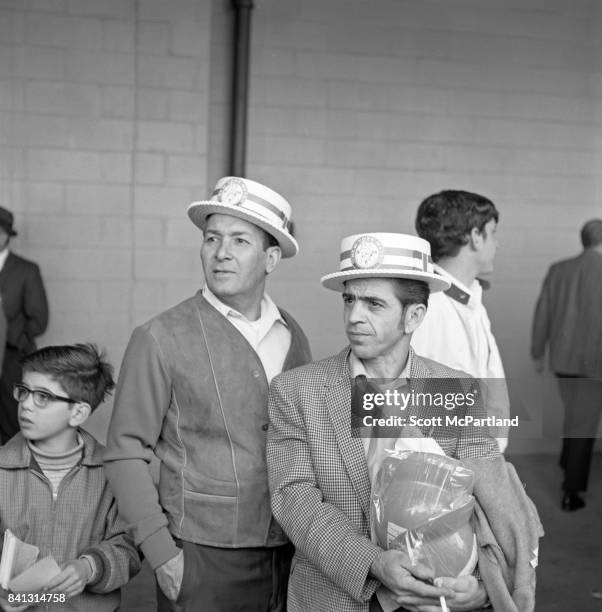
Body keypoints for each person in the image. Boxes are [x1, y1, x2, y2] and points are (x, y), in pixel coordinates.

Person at [267, 232, 542, 612]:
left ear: (414, 316)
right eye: (350, 299)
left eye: (374, 304)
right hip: (333, 598)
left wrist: (478, 586)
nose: (354, 316)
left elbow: (494, 498)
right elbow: (296, 500)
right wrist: (373, 562)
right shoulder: (297, 391)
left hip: (435, 598)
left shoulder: (455, 390)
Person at [104, 177, 312, 611]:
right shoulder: (159, 336)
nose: (221, 252)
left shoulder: (293, 335)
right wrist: (163, 554)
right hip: (200, 556)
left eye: (240, 240)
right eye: (212, 238)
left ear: (271, 257)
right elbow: (124, 450)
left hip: (290, 552)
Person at [0, 343, 140, 612]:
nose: (26, 405)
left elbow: (129, 546)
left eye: (42, 396)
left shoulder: (112, 474)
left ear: (78, 412)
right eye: (24, 391)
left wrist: (90, 567)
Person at [411, 190, 510, 452]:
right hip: (439, 475)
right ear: (476, 236)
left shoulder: (471, 301)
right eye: (493, 232)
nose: (497, 244)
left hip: (476, 462)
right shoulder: (426, 306)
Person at [531, 219, 602, 511]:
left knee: (575, 416)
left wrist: (537, 352)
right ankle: (571, 491)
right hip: (594, 364)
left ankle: (565, 462)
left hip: (563, 362)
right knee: (583, 425)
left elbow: (543, 313)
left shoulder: (559, 270)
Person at [0, 206, 48, 444]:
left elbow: (39, 320)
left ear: (8, 234)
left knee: (12, 422)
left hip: (12, 357)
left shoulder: (26, 270)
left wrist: (13, 339)